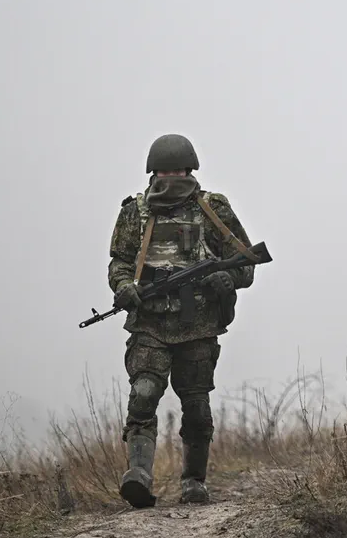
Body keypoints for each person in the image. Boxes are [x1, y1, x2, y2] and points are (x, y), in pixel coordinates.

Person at [107, 134, 258, 508]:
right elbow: (120, 262)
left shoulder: (212, 209)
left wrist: (227, 279)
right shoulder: (135, 213)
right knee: (143, 395)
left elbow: (245, 262)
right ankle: (139, 476)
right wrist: (124, 287)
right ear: (153, 173)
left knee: (197, 407)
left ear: (190, 170)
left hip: (199, 324)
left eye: (178, 171)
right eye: (165, 171)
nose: (171, 177)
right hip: (150, 324)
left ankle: (193, 482)